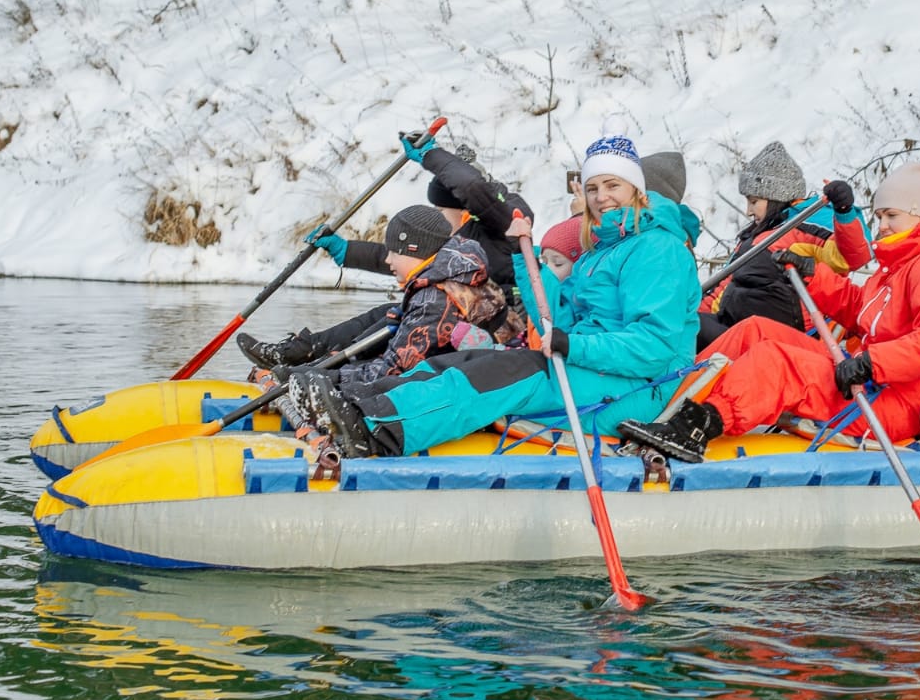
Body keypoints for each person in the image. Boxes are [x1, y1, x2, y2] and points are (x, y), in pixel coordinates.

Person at [289, 125, 702, 458]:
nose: (601, 197)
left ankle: (377, 429)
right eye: (593, 188)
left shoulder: (657, 249)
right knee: (469, 358)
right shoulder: (602, 251)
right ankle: (357, 399)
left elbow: (654, 347)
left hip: (639, 385)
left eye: (612, 185)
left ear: (636, 189)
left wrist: (570, 346)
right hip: (596, 369)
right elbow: (556, 316)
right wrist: (529, 263)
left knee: (504, 373)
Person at [620, 161, 920, 462]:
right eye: (880, 215)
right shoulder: (899, 262)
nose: (881, 225)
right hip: (866, 377)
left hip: (893, 397)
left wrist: (873, 363)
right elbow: (860, 312)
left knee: (778, 362)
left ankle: (698, 427)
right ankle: (669, 405)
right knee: (755, 329)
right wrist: (813, 276)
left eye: (891, 215)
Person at [235, 133, 533, 368]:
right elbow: (411, 262)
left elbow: (470, 186)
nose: (436, 216)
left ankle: (321, 369)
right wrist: (347, 251)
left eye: (440, 210)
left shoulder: (507, 227)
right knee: (387, 314)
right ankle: (302, 353)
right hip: (453, 318)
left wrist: (431, 155)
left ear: (465, 209)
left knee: (396, 316)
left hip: (494, 331)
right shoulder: (457, 235)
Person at [284, 207, 519, 419]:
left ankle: (310, 362)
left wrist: (323, 379)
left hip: (461, 393)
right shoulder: (456, 270)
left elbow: (391, 371)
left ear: (414, 251)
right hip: (468, 371)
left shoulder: (434, 300)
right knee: (387, 315)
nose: (387, 259)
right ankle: (311, 354)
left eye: (394, 252)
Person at [697, 140, 872, 350]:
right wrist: (691, 315)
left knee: (683, 332)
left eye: (753, 201)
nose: (748, 211)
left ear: (775, 196)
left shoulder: (807, 223)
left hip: (780, 338)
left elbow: (852, 257)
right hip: (735, 328)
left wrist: (844, 212)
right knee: (682, 328)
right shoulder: (756, 236)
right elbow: (721, 288)